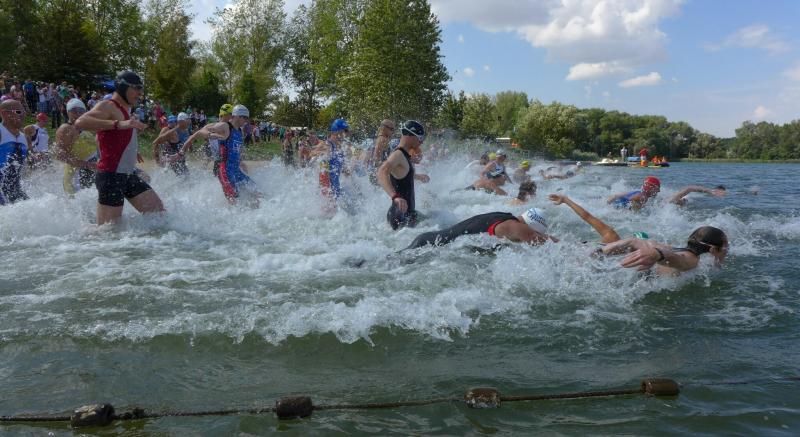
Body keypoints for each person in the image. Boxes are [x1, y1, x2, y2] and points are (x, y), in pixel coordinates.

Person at [75, 70, 164, 225]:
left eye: (141, 89)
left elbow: (108, 138)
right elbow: (80, 122)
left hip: (127, 174)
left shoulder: (125, 110)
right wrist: (119, 124)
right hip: (110, 176)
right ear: (123, 87)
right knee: (108, 232)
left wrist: (132, 150)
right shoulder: (109, 105)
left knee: (158, 214)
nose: (140, 93)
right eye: (136, 88)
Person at [177, 104, 260, 206]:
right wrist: (211, 135)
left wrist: (241, 163)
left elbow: (235, 151)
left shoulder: (239, 131)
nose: (246, 121)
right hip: (225, 170)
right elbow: (199, 133)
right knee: (235, 202)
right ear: (238, 116)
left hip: (236, 170)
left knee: (257, 192)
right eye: (245, 118)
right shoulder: (225, 126)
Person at [404, 207, 553, 250]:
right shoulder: (514, 226)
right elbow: (548, 243)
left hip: (428, 240)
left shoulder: (503, 217)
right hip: (429, 246)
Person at [601, 226, 729, 275]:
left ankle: (601, 250)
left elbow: (654, 244)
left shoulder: (679, 249)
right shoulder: (692, 259)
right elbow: (678, 259)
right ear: (713, 249)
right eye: (725, 245)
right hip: (644, 279)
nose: (727, 248)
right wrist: (658, 254)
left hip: (637, 272)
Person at [377, 120, 430, 230]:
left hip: (408, 214)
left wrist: (418, 177)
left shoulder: (405, 155)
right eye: (420, 138)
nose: (421, 142)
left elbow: (402, 175)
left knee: (434, 218)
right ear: (411, 136)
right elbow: (381, 172)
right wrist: (395, 196)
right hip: (400, 216)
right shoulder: (398, 154)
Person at [54, 98, 99, 196]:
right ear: (68, 113)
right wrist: (88, 165)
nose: (78, 113)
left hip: (90, 172)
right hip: (76, 176)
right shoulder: (66, 128)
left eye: (81, 110)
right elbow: (60, 155)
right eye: (74, 110)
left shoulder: (87, 128)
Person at [312, 119, 350, 207]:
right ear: (336, 131)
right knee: (329, 210)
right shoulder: (327, 144)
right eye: (344, 131)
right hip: (327, 187)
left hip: (336, 186)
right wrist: (323, 153)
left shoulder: (341, 146)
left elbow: (340, 165)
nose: (346, 134)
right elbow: (312, 153)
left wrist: (345, 170)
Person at [0, 99, 30, 205]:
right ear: (4, 113)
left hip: (15, 191)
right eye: (18, 111)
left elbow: (25, 165)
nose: (23, 115)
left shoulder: (24, 138)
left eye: (23, 111)